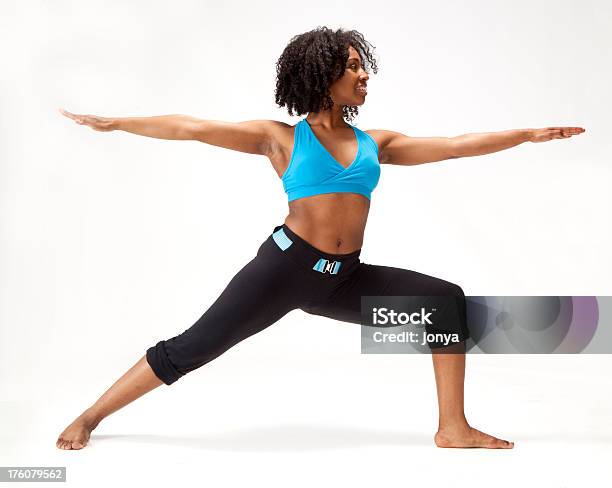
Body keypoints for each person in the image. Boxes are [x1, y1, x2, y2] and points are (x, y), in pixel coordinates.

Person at [56, 26, 584, 450]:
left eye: (362, 65)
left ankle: (453, 427)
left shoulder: (376, 143)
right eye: (352, 66)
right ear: (322, 75)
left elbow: (452, 145)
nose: (363, 76)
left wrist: (527, 135)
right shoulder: (280, 138)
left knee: (445, 303)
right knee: (192, 348)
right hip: (283, 271)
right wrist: (118, 123)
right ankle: (91, 414)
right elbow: (191, 127)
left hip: (344, 278)